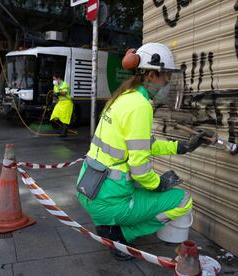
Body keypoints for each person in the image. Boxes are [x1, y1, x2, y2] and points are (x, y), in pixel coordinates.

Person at [76, 43, 215, 261]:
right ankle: (120, 235)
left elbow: (144, 145)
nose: (168, 81)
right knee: (183, 200)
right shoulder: (140, 106)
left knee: (143, 186)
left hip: (91, 191)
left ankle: (110, 227)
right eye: (166, 76)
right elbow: (140, 170)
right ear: (150, 75)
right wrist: (159, 185)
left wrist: (182, 147)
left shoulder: (123, 97)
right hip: (109, 200)